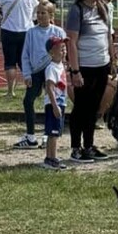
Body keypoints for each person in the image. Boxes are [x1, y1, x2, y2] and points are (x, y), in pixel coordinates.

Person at [65, 0, 116, 161]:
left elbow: (108, 37)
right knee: (81, 107)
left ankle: (89, 145)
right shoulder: (77, 10)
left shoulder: (102, 8)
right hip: (84, 66)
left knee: (94, 107)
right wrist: (75, 70)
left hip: (101, 65)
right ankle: (76, 147)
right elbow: (71, 42)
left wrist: (112, 60)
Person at [15, 0, 65, 148]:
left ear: (51, 15)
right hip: (36, 72)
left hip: (52, 72)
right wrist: (27, 74)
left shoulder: (58, 31)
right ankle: (30, 136)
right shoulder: (31, 32)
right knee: (28, 100)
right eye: (38, 13)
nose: (40, 16)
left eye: (43, 13)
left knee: (50, 102)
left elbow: (64, 51)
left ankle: (47, 135)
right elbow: (25, 54)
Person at [0, 0, 39, 103]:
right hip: (26, 30)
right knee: (25, 61)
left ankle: (10, 91)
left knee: (10, 62)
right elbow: (36, 7)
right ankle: (30, 87)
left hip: (9, 31)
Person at [41, 35, 69, 170]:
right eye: (60, 48)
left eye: (64, 48)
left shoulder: (60, 66)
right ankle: (50, 157)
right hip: (54, 103)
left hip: (60, 102)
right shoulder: (51, 68)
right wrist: (54, 105)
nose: (63, 51)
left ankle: (52, 156)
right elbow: (50, 87)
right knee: (53, 132)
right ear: (51, 52)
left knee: (56, 132)